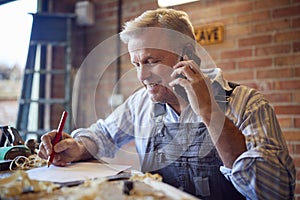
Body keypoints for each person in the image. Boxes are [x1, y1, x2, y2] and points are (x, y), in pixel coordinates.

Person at [38, 8, 295, 200]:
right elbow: (103, 134)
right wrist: (78, 147)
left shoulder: (249, 104)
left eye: (151, 61)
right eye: (136, 64)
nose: (141, 76)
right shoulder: (141, 103)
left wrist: (209, 112)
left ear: (188, 56)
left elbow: (276, 192)